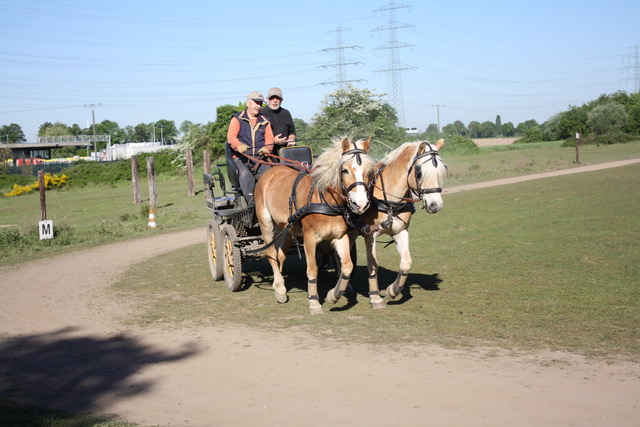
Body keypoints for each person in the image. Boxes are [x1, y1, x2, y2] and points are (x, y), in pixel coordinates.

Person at [227, 91, 274, 205]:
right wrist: (239, 146)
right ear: (248, 103)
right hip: (241, 157)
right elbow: (231, 137)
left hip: (260, 157)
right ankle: (251, 203)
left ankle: (271, 200)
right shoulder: (237, 118)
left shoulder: (265, 120)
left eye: (260, 103)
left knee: (270, 175)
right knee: (245, 174)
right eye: (256, 103)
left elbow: (269, 138)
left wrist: (267, 148)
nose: (258, 106)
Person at [260, 87, 296, 155]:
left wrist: (291, 139)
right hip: (268, 152)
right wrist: (273, 141)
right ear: (267, 99)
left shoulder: (286, 113)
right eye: (272, 98)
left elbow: (292, 132)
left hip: (286, 150)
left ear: (281, 100)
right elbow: (258, 137)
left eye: (278, 98)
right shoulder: (262, 114)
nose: (275, 101)